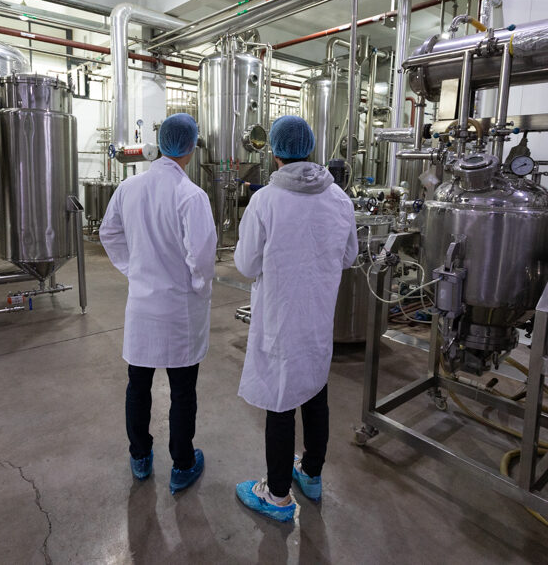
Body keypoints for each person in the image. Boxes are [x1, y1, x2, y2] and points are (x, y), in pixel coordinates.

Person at [233, 115, 358, 521]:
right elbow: (350, 257)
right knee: (316, 394)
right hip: (318, 319)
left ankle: (278, 496)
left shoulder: (265, 201)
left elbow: (247, 264)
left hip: (280, 319)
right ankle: (312, 475)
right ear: (310, 148)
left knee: (281, 402)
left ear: (274, 153)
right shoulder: (338, 198)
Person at [100, 113, 217, 495]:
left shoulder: (129, 187)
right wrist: (197, 287)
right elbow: (202, 257)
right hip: (179, 309)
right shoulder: (191, 196)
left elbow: (109, 232)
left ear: (161, 143)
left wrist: (131, 269)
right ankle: (182, 464)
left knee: (138, 385)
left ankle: (139, 456)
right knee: (183, 390)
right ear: (190, 148)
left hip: (142, 307)